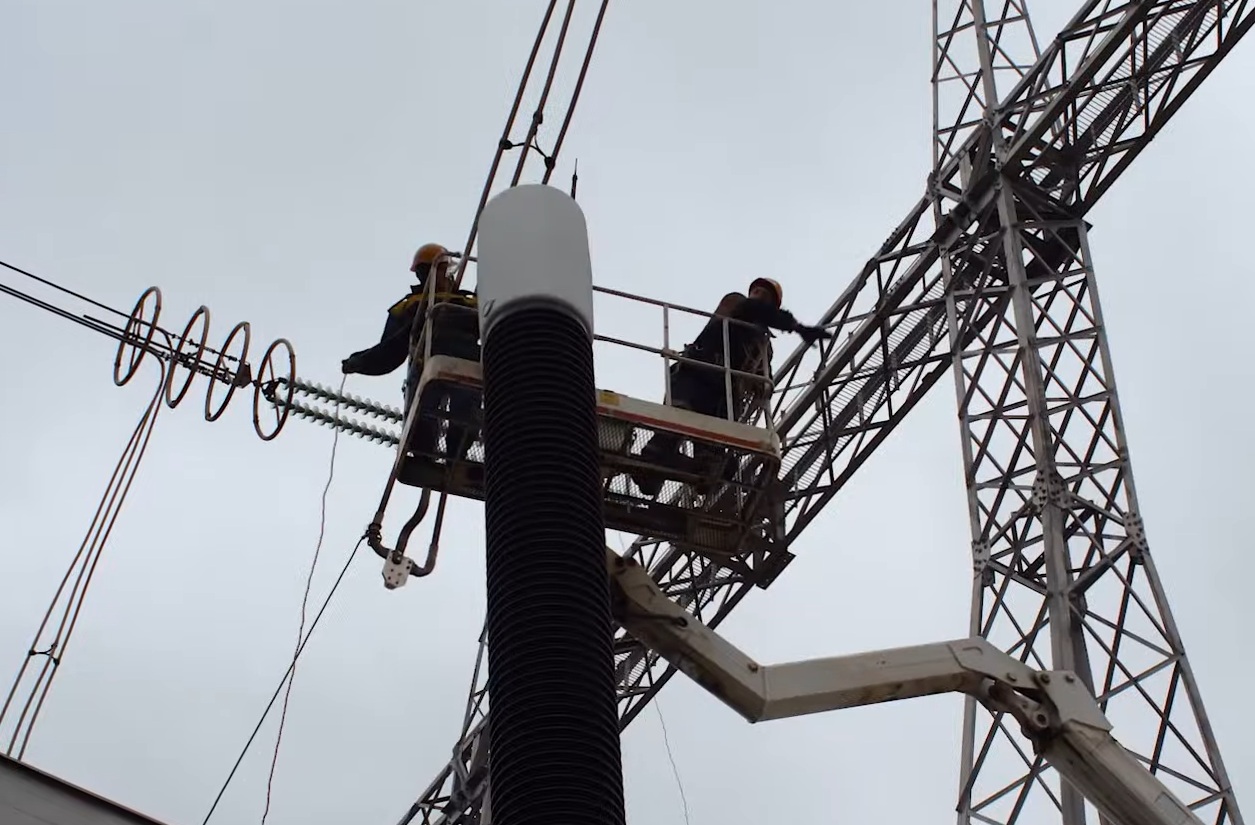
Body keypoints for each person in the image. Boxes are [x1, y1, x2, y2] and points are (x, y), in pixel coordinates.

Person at [632, 277, 830, 496]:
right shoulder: (736, 303)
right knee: (673, 430)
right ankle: (652, 471)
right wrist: (796, 326)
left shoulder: (763, 344)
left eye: (764, 295)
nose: (757, 295)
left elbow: (764, 380)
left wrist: (759, 388)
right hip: (696, 378)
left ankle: (693, 473)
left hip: (722, 398)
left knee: (715, 463)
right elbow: (752, 308)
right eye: (756, 291)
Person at [341, 243, 481, 464]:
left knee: (463, 415)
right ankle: (427, 456)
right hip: (431, 366)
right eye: (443, 270)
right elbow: (391, 348)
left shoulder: (468, 303)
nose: (446, 276)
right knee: (424, 417)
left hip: (464, 367)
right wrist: (360, 361)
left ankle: (455, 456)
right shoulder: (411, 307)